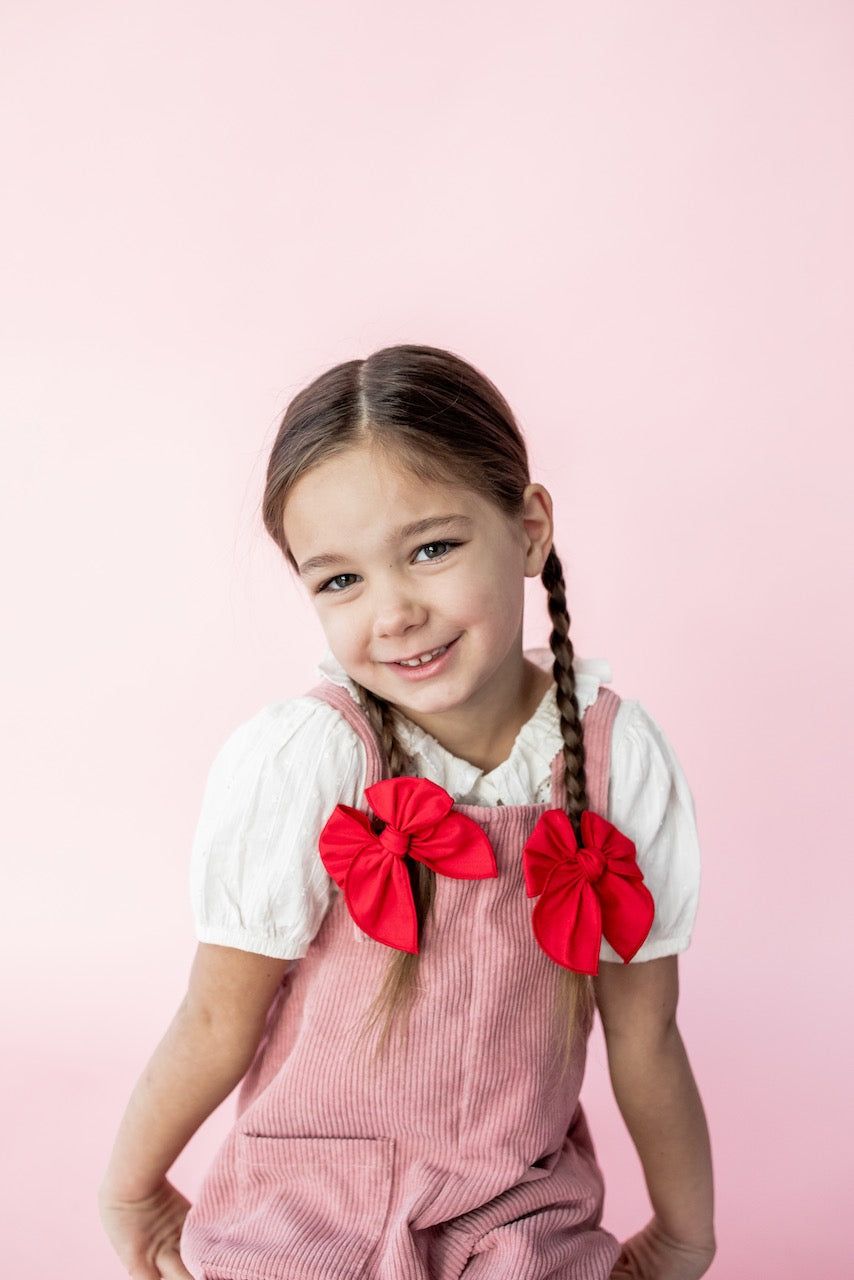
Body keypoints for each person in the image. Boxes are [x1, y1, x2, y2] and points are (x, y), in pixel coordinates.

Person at [99, 345, 715, 1280]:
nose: (392, 614)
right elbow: (218, 1017)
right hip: (304, 1207)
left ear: (529, 529)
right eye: (339, 581)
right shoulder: (312, 758)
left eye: (431, 550)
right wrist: (132, 1191)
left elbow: (646, 1032)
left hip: (516, 1210)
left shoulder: (614, 756)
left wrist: (683, 1232)